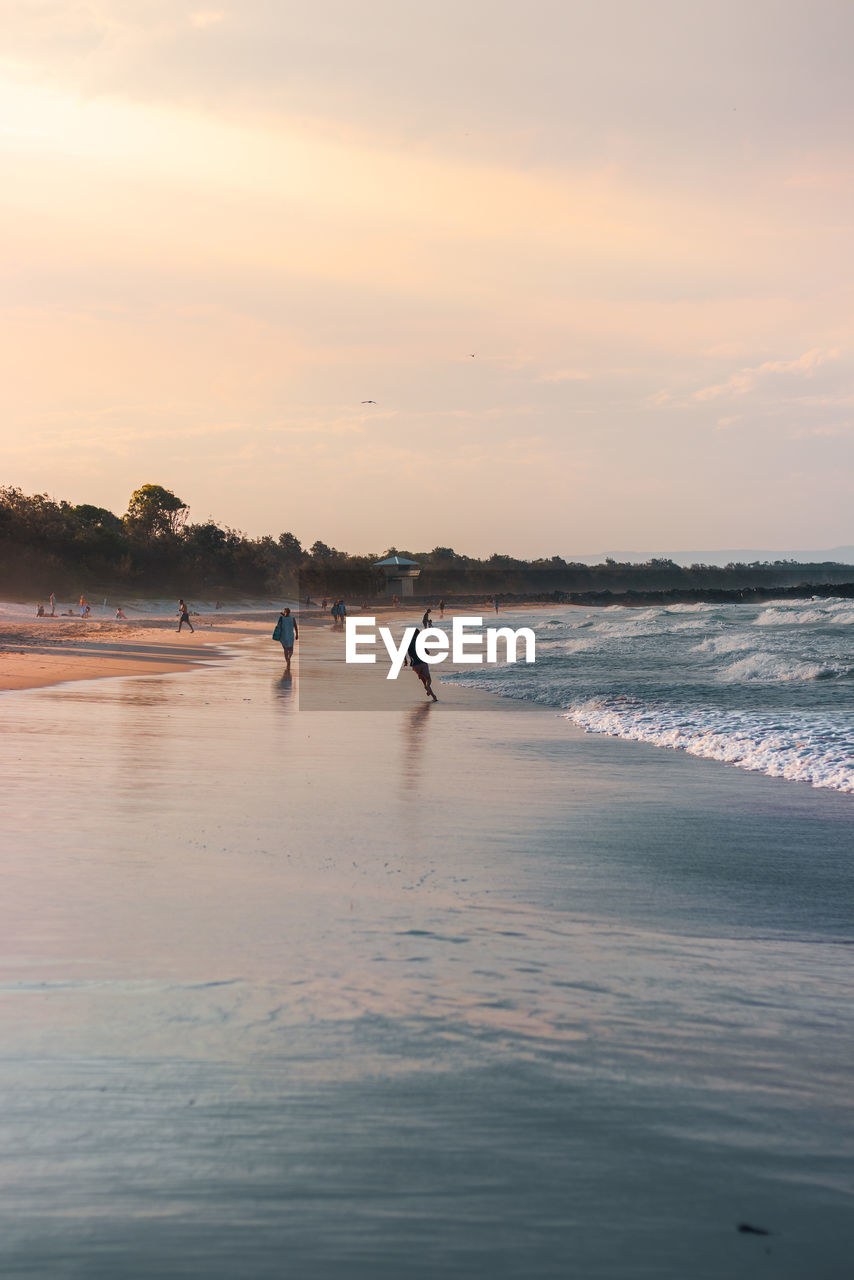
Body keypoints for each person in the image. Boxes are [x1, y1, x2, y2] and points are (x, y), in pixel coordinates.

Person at [406, 628, 438, 701]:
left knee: (423, 680)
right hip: (423, 663)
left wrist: (405, 661)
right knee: (428, 679)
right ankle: (430, 690)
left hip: (415, 665)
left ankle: (433, 695)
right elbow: (427, 652)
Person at [273, 606, 298, 673]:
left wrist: (282, 618)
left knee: (285, 649)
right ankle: (289, 658)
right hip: (290, 635)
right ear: (290, 612)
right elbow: (295, 626)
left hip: (283, 635)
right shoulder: (293, 618)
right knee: (291, 649)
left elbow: (278, 625)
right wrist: (297, 634)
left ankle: (287, 660)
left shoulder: (281, 618)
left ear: (284, 612)